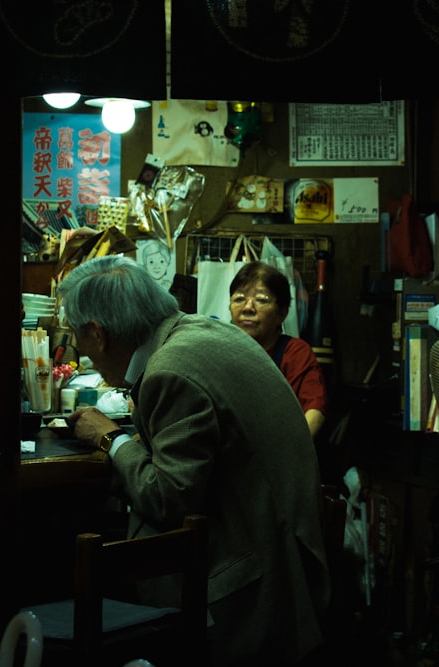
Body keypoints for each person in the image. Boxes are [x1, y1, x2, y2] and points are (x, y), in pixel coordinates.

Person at [59, 255, 330, 667]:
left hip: (255, 589)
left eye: (77, 335)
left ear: (96, 333)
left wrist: (111, 439)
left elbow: (169, 498)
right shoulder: (201, 330)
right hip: (277, 547)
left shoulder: (171, 371)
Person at [228, 261, 327, 440]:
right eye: (239, 298)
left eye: (261, 300)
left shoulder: (295, 353)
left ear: (281, 313)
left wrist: (288, 452)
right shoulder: (220, 350)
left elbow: (314, 411)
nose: (248, 308)